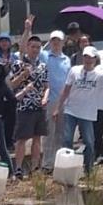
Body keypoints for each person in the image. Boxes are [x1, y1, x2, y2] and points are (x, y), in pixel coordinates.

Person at [54, 46, 103, 174]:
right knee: (67, 139)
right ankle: (67, 167)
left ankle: (89, 170)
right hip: (71, 110)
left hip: (88, 113)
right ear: (82, 57)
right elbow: (65, 90)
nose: (87, 60)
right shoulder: (74, 70)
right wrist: (57, 108)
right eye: (85, 56)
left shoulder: (99, 75)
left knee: (88, 141)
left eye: (90, 57)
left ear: (95, 59)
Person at [25, 19, 71, 172]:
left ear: (63, 42)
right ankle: (47, 164)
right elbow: (30, 46)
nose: (56, 43)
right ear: (50, 42)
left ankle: (58, 162)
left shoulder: (67, 60)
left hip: (64, 100)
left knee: (61, 133)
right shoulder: (44, 55)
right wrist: (28, 29)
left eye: (58, 41)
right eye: (53, 41)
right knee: (49, 133)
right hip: (49, 100)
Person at [10, 35, 49, 178]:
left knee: (37, 138)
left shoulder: (42, 66)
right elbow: (12, 85)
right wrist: (23, 75)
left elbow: (46, 86)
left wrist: (45, 97)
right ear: (27, 47)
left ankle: (35, 168)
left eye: (38, 47)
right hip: (24, 106)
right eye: (33, 47)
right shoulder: (18, 64)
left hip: (39, 106)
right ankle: (18, 169)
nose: (35, 50)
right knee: (21, 139)